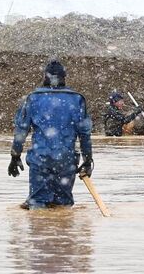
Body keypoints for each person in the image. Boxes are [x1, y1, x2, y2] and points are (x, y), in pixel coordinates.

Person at [8, 58, 93, 209]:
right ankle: (62, 229)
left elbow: (21, 131)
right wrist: (87, 160)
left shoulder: (33, 98)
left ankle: (41, 226)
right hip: (66, 161)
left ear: (45, 77)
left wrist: (15, 156)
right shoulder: (76, 99)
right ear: (64, 77)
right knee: (63, 207)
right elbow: (85, 134)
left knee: (37, 206)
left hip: (40, 161)